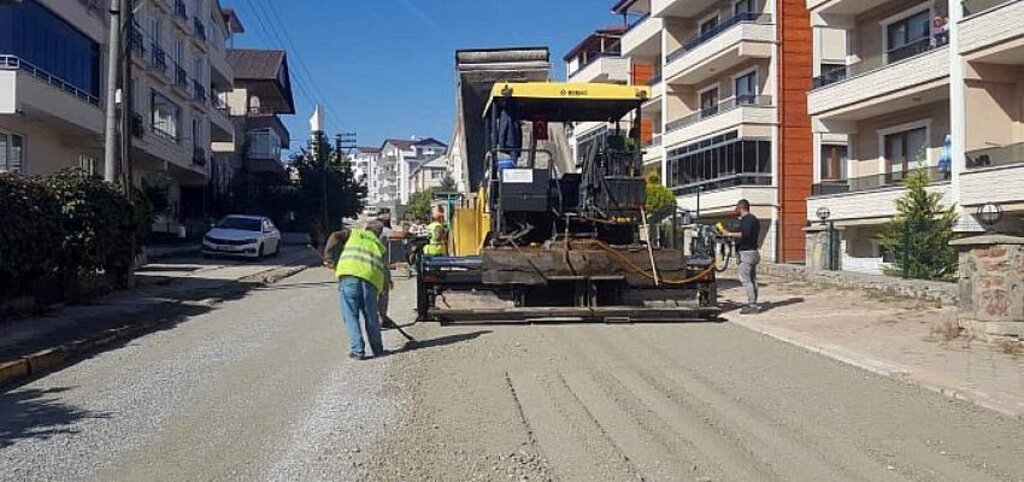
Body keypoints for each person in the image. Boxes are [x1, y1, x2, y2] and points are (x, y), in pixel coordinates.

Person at [324, 220, 388, 360]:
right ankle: (378, 349)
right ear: (379, 234)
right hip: (371, 281)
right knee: (371, 316)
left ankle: (358, 351)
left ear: (366, 228)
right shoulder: (380, 246)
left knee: (351, 315)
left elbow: (334, 236)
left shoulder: (353, 233)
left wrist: (328, 257)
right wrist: (384, 287)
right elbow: (384, 270)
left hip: (350, 277)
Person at [721, 199, 761, 314]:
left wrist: (729, 234)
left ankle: (752, 305)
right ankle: (753, 302)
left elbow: (745, 234)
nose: (735, 210)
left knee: (746, 279)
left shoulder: (747, 219)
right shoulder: (754, 219)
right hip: (753, 251)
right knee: (752, 279)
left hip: (746, 253)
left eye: (737, 208)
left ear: (741, 208)